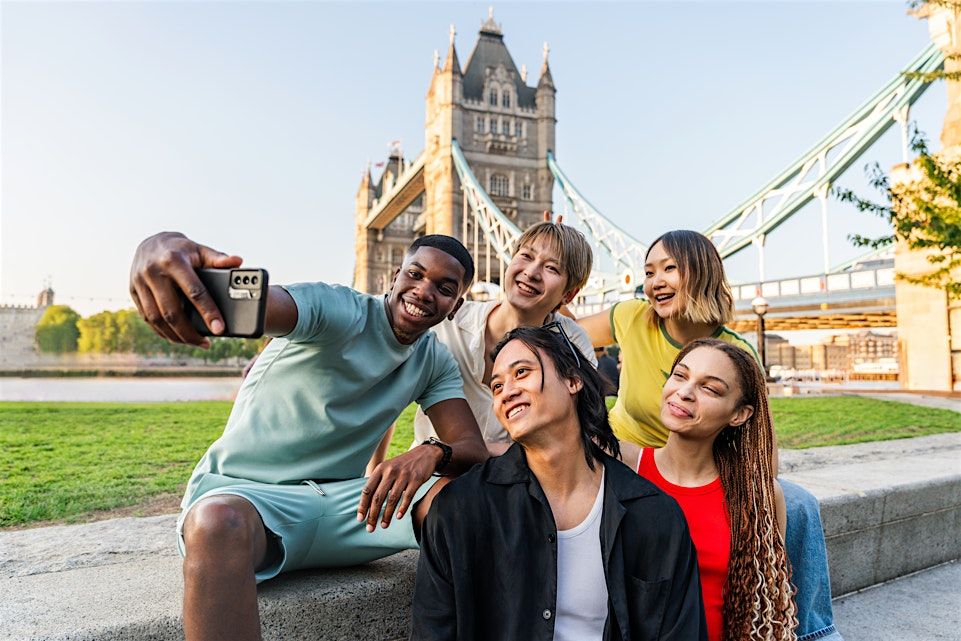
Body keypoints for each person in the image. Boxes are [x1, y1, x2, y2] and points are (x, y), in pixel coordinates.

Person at [129, 231, 489, 641]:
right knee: (216, 523)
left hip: (347, 507)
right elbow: (254, 304)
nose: (424, 292)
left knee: (473, 500)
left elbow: (471, 449)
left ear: (456, 305)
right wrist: (163, 254)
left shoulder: (434, 360)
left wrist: (432, 452)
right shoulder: (336, 307)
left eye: (444, 288)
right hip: (249, 499)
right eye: (416, 274)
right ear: (394, 276)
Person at [578, 230, 842, 641]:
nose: (655, 281)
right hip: (636, 459)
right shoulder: (632, 317)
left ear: (700, 273)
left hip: (704, 461)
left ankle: (812, 633)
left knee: (799, 503)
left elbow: (762, 454)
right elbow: (564, 337)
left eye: (669, 268)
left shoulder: (736, 353)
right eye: (649, 271)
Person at [412, 326, 707, 641]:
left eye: (522, 372)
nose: (506, 392)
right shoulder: (459, 510)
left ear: (573, 380)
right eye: (496, 386)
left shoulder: (655, 515)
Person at [638, 338, 797, 641]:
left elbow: (766, 607)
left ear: (739, 415)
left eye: (709, 388)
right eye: (680, 376)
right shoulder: (626, 467)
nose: (684, 393)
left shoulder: (758, 495)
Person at [410, 220, 597, 456]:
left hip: (516, 480)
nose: (531, 272)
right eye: (527, 256)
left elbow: (580, 440)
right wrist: (370, 471)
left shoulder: (573, 345)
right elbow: (384, 387)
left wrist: (464, 452)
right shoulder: (447, 322)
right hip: (427, 476)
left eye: (551, 268)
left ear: (569, 294)